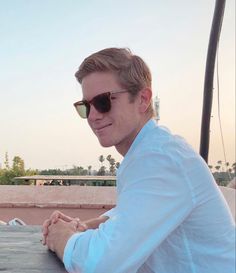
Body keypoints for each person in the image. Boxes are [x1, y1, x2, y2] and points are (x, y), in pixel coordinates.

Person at [42, 47, 235, 273]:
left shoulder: (161, 159)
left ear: (142, 99)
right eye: (85, 106)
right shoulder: (150, 152)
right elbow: (133, 212)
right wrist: (84, 226)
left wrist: (61, 237)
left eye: (103, 101)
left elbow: (102, 264)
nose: (93, 116)